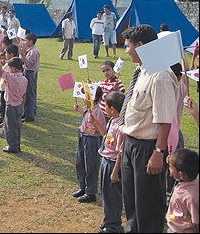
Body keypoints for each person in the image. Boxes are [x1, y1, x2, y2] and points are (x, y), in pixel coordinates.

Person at [119, 24, 178, 233]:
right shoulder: (141, 71)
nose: (125, 51)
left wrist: (158, 153)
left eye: (127, 46)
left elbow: (164, 119)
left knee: (148, 205)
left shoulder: (160, 75)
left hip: (148, 148)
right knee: (133, 202)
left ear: (140, 45)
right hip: (132, 144)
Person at [91, 91, 125, 233]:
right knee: (105, 194)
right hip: (106, 161)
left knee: (112, 196)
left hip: (113, 165)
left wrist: (115, 172)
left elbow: (120, 152)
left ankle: (114, 225)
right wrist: (97, 123)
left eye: (106, 106)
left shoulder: (120, 127)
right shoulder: (113, 121)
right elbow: (106, 136)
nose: (105, 109)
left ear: (113, 109)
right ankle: (108, 221)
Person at [0, 52, 27, 153]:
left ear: (13, 69)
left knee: (10, 127)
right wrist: (23, 107)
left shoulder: (12, 78)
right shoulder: (24, 79)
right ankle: (17, 144)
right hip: (19, 105)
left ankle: (12, 146)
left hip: (11, 106)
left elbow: (0, 72)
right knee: (17, 126)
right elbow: (24, 95)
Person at [73, 86, 106, 203]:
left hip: (92, 140)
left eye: (86, 95)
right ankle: (82, 187)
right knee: (80, 163)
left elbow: (102, 129)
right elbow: (86, 120)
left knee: (91, 166)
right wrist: (81, 111)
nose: (83, 97)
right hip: (83, 137)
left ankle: (91, 192)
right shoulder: (88, 109)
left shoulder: (98, 112)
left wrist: (95, 122)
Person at [166, 148, 199, 233]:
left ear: (181, 175)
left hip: (180, 230)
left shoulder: (191, 197)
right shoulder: (191, 181)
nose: (169, 169)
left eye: (170, 167)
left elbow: (197, 221)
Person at [20, 33, 40, 123]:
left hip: (30, 73)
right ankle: (30, 111)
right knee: (30, 92)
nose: (24, 42)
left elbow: (28, 63)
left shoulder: (33, 52)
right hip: (31, 72)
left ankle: (29, 114)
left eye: (25, 40)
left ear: (31, 41)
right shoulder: (30, 50)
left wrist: (23, 57)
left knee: (29, 93)